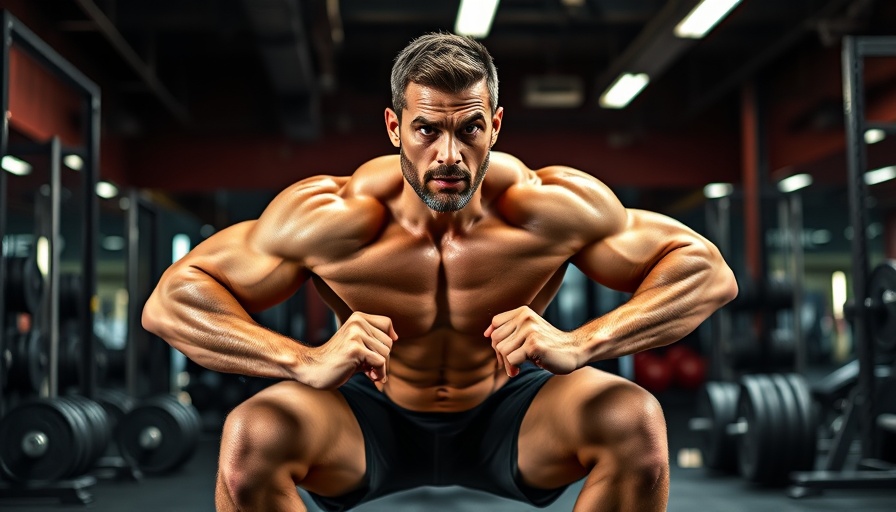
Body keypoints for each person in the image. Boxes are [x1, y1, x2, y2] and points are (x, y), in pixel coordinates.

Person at [143, 32, 738, 512]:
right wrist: (302, 359)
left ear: (495, 127)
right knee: (253, 436)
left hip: (509, 412)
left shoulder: (549, 208)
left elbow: (706, 272)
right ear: (394, 127)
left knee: (632, 421)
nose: (449, 155)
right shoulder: (331, 218)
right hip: (370, 415)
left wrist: (583, 343)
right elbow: (172, 302)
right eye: (427, 129)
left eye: (469, 129)